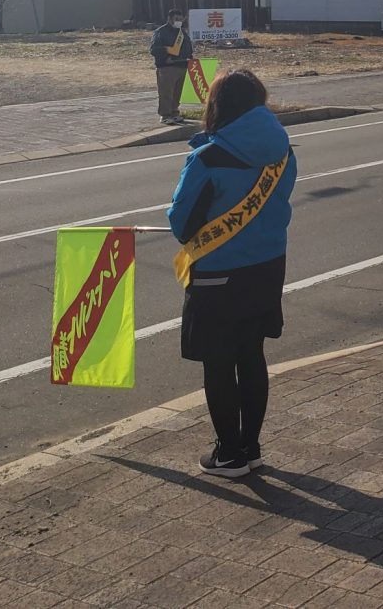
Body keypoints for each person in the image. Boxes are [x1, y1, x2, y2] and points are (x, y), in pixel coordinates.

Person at [168, 69, 298, 477]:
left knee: (219, 363)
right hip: (267, 267)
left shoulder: (208, 157)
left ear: (217, 106)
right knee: (252, 354)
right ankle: (251, 447)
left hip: (218, 276)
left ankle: (227, 454)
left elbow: (182, 225)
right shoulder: (283, 150)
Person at [150, 8, 194, 125]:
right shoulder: (161, 32)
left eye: (180, 19)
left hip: (182, 65)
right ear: (169, 19)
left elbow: (188, 48)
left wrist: (191, 58)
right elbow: (154, 50)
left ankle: (174, 112)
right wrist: (165, 57)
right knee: (166, 93)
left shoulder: (182, 32)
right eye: (176, 19)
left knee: (177, 92)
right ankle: (165, 115)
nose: (178, 22)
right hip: (167, 67)